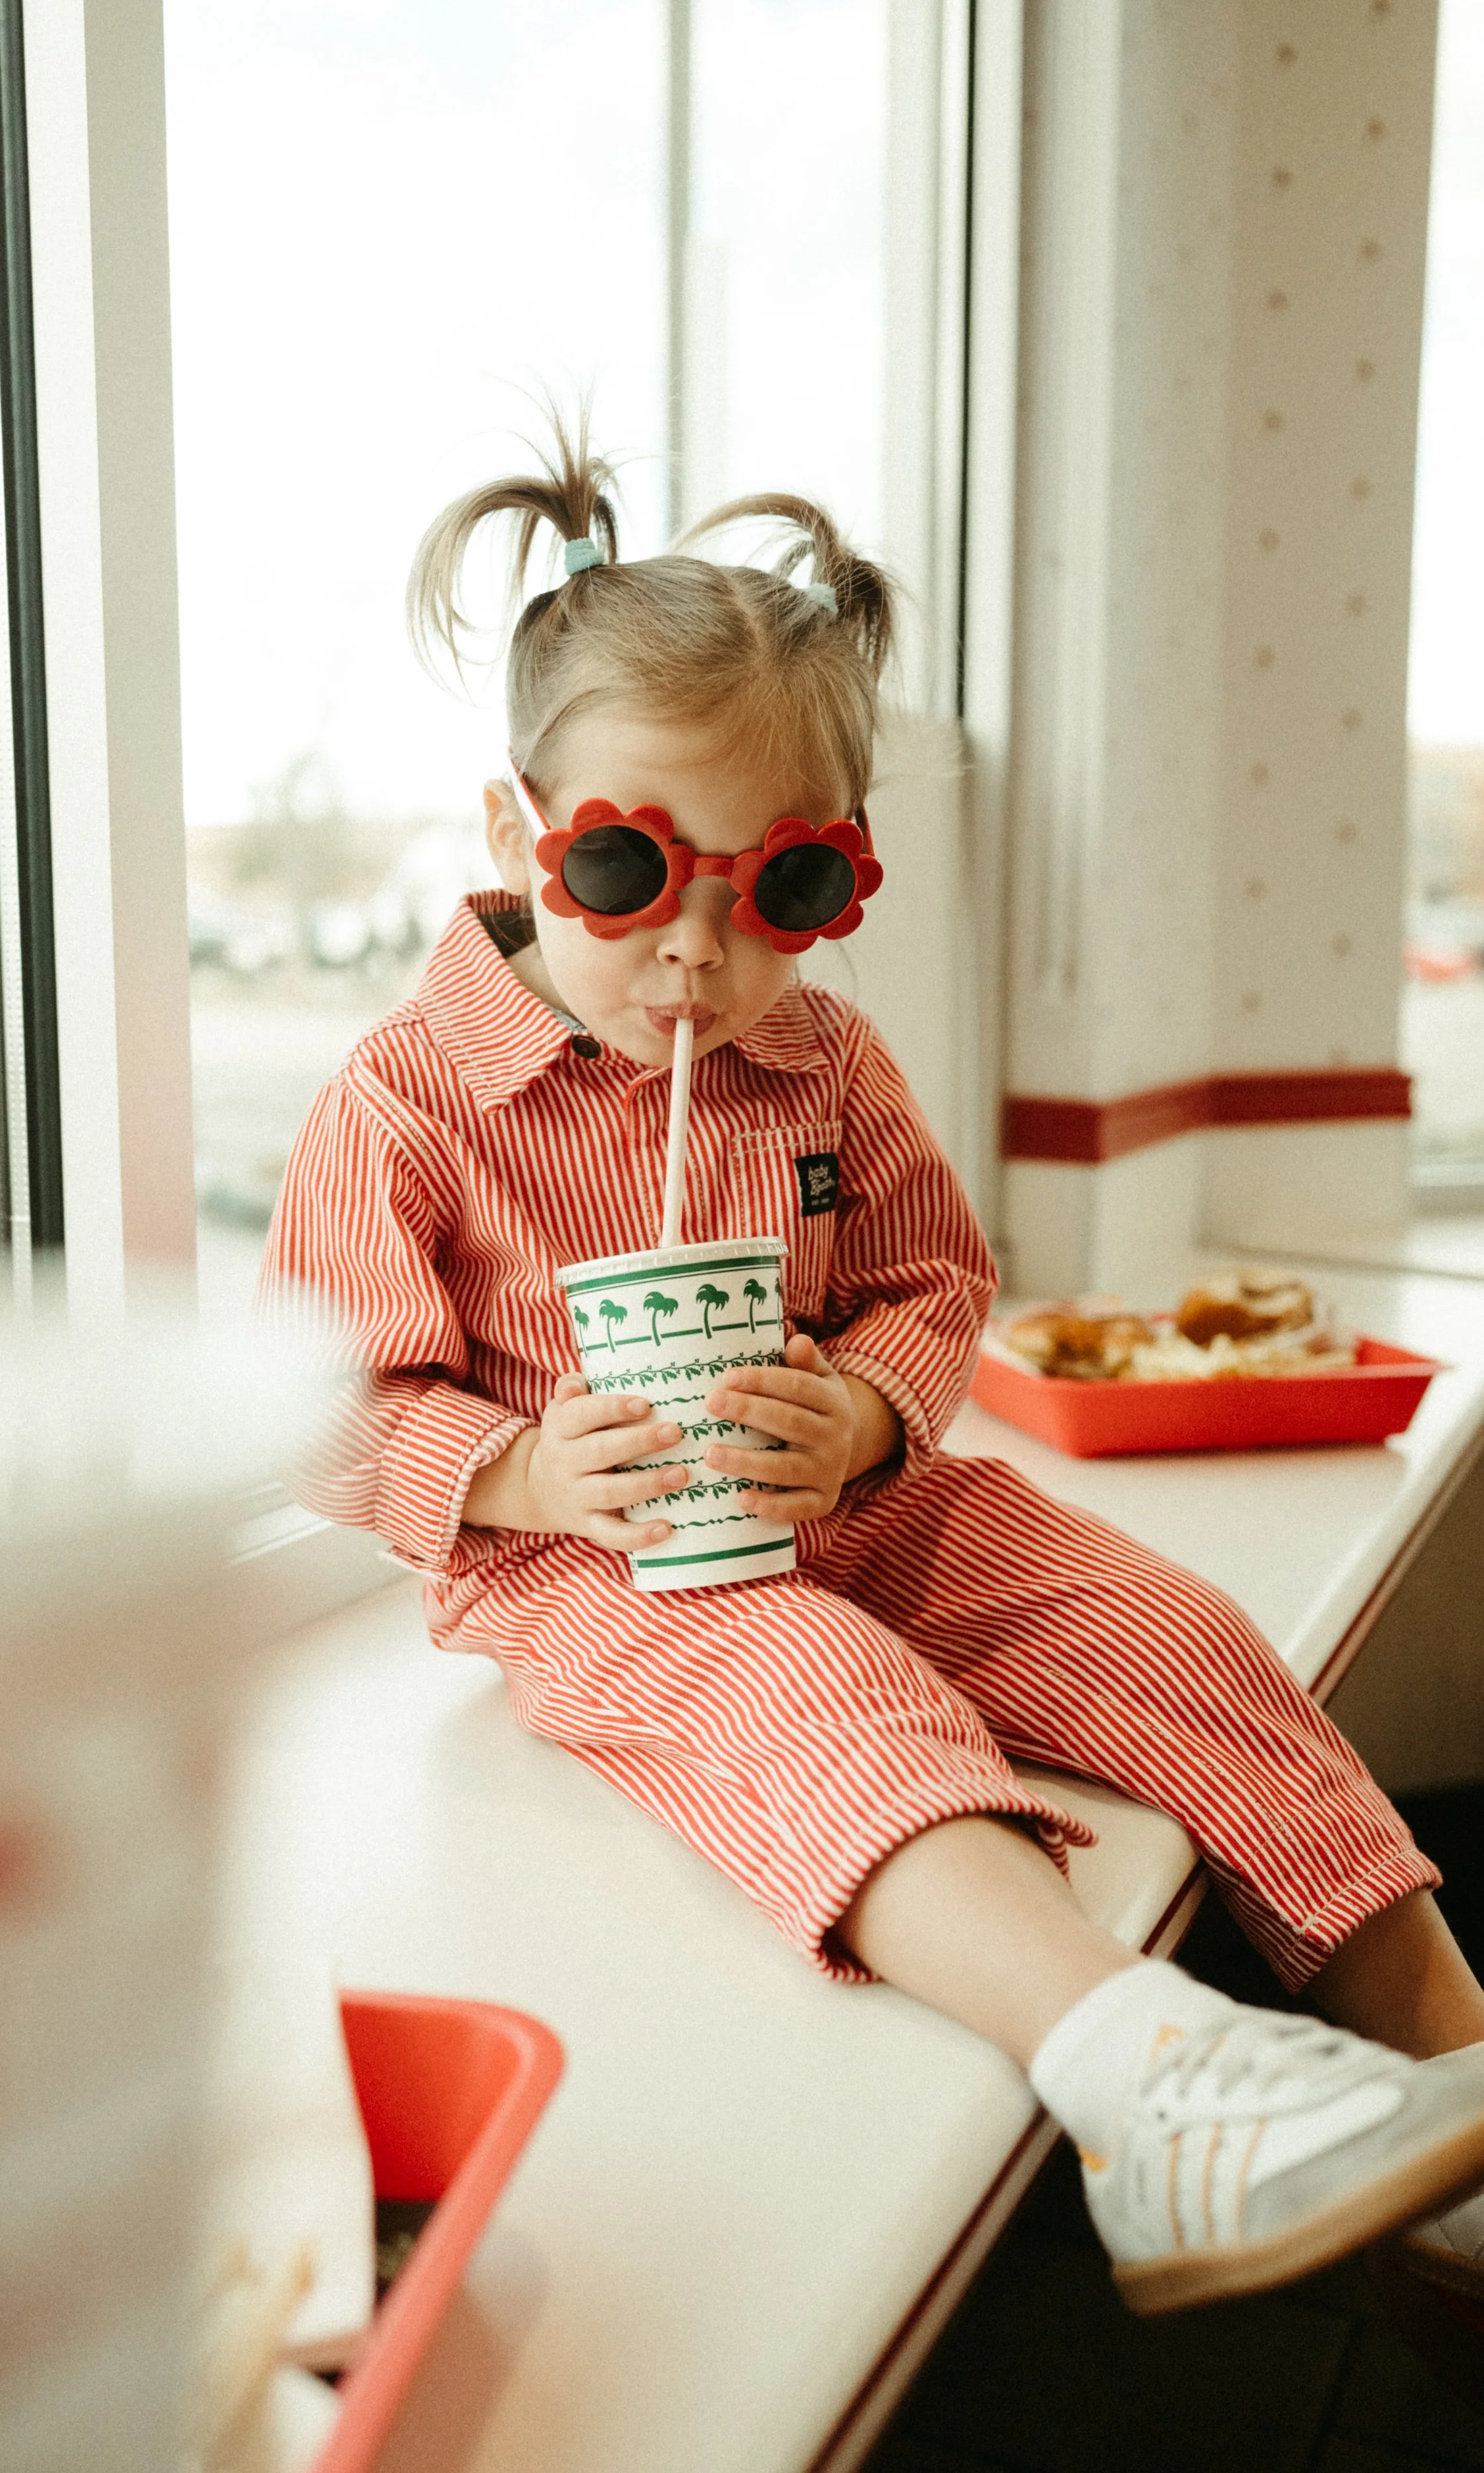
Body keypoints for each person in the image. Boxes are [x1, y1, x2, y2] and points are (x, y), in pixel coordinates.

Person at [263, 413, 1484, 2314]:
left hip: (865, 1505)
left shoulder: (822, 1060)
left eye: (783, 892)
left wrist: (861, 1404)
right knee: (834, 1709)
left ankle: (1441, 2056)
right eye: (624, 869)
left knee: (1171, 1631)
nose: (696, 953)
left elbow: (930, 1274)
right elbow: (320, 1397)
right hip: (607, 1576)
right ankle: (1144, 2080)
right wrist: (512, 1473)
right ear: (517, 833)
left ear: (841, 877)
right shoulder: (411, 1100)